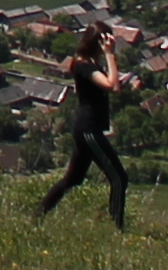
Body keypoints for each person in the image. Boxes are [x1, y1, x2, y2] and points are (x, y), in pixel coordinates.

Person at [31, 24, 134, 229]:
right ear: (99, 42)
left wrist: (112, 66)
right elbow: (111, 86)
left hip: (86, 129)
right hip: (89, 130)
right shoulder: (84, 65)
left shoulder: (89, 63)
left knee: (73, 179)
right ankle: (116, 229)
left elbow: (112, 85)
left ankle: (37, 216)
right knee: (119, 178)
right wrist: (110, 54)